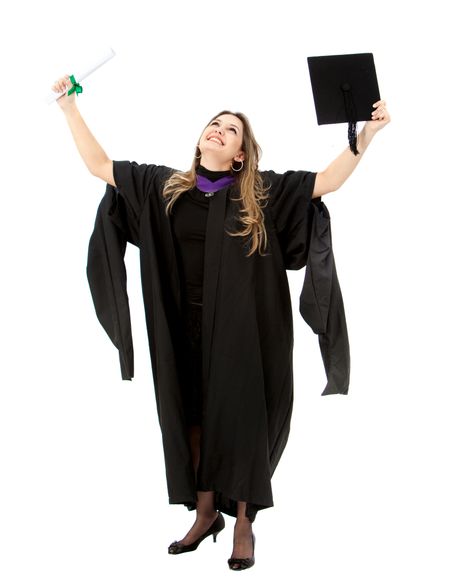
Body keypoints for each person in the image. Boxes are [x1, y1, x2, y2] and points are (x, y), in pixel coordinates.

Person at [51, 74, 390, 571]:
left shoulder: (264, 192)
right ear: (200, 139)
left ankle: (245, 523)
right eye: (214, 123)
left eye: (230, 130)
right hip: (180, 327)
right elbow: (100, 166)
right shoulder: (162, 187)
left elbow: (327, 182)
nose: (218, 130)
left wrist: (366, 135)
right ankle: (206, 512)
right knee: (189, 414)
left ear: (239, 154)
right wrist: (69, 108)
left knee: (241, 420)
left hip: (243, 331)